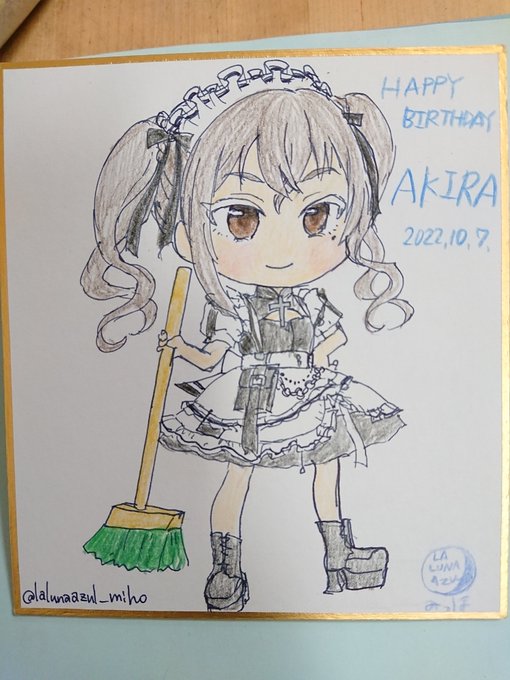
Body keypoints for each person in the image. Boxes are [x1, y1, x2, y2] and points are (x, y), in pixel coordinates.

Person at [82, 60, 413, 612]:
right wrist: (179, 349)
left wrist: (318, 361)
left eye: (317, 216)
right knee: (238, 475)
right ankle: (226, 568)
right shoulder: (232, 307)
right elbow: (215, 354)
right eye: (241, 218)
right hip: (250, 398)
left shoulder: (311, 300)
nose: (283, 250)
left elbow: (332, 339)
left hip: (309, 389)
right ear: (188, 233)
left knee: (328, 463)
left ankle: (340, 554)